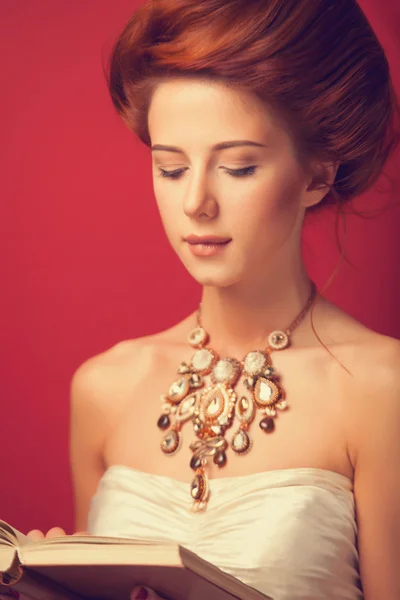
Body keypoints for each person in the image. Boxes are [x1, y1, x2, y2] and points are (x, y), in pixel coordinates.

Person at [20, 0, 400, 599]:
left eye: (239, 167)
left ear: (316, 176)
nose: (196, 201)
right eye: (170, 169)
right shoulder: (105, 387)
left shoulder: (381, 388)